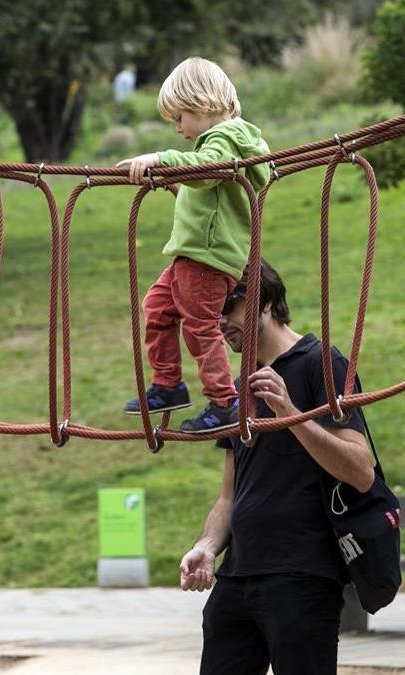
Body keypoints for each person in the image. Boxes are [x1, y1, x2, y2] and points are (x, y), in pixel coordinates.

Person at [178, 260, 377, 674]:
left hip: (301, 577)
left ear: (264, 302)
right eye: (212, 313)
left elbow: (361, 470)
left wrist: (290, 412)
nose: (219, 324)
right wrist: (208, 546)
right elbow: (229, 495)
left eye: (227, 308)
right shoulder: (239, 387)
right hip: (237, 579)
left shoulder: (322, 363)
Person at [116, 56, 270, 433]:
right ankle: (168, 384)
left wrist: (160, 159)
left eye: (179, 117)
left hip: (206, 256)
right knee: (156, 307)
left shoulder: (222, 139)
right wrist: (173, 182)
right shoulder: (233, 141)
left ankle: (224, 402)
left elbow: (207, 170)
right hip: (197, 253)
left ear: (202, 106)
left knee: (199, 326)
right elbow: (212, 189)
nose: (178, 128)